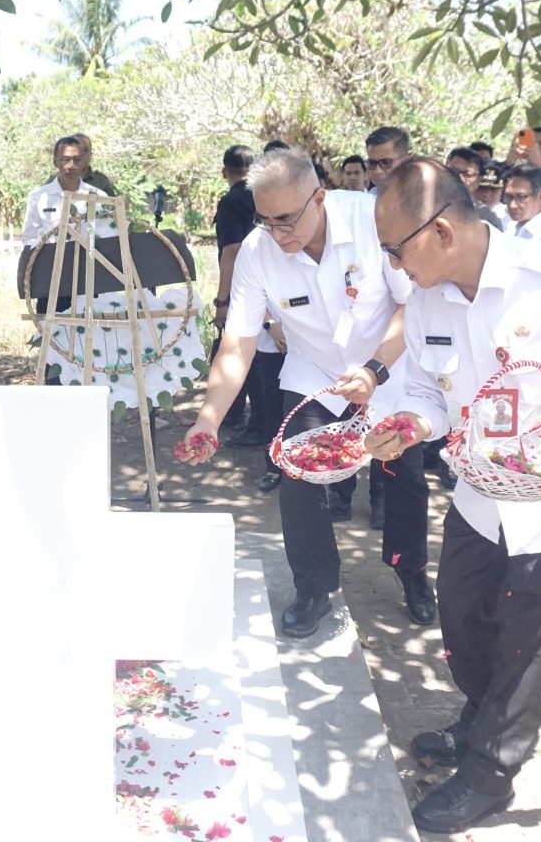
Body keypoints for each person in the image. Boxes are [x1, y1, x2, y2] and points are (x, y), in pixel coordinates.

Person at [363, 158, 541, 834]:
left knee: (523, 640)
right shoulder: (430, 299)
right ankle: (478, 718)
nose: (392, 265)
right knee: (462, 617)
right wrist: (407, 424)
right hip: (478, 495)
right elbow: (425, 394)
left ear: (438, 232)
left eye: (394, 248)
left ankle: (492, 773)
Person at [178, 147, 434, 638]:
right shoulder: (257, 252)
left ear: (320, 197)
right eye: (266, 221)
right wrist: (208, 418)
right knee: (296, 472)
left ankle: (412, 573)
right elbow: (239, 343)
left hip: (390, 368)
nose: (279, 234)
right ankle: (313, 587)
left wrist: (375, 370)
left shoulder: (371, 222)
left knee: (404, 478)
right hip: (315, 375)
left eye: (287, 219)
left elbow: (413, 308)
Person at [212, 144, 275, 453]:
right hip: (275, 286)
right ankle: (254, 420)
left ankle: (255, 425)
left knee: (244, 355)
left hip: (245, 287)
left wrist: (222, 301)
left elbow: (232, 251)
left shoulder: (231, 202)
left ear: (225, 172)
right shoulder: (265, 196)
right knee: (264, 359)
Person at [22, 135, 111, 248]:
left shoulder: (99, 197)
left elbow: (107, 237)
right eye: (65, 160)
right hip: (51, 262)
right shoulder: (38, 197)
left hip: (87, 263)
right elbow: (29, 238)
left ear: (84, 162)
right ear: (55, 162)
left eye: (77, 160)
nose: (71, 166)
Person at [445, 148, 504, 230]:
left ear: (478, 180)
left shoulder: (486, 218)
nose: (460, 178)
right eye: (454, 171)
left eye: (468, 174)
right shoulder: (426, 201)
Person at [365, 126, 412, 191]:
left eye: (386, 162)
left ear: (405, 161)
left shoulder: (419, 196)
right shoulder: (368, 197)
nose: (377, 171)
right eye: (372, 163)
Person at [474, 161, 507, 225]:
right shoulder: (463, 212)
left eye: (493, 189)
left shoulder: (510, 217)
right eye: (482, 188)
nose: (487, 195)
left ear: (502, 190)